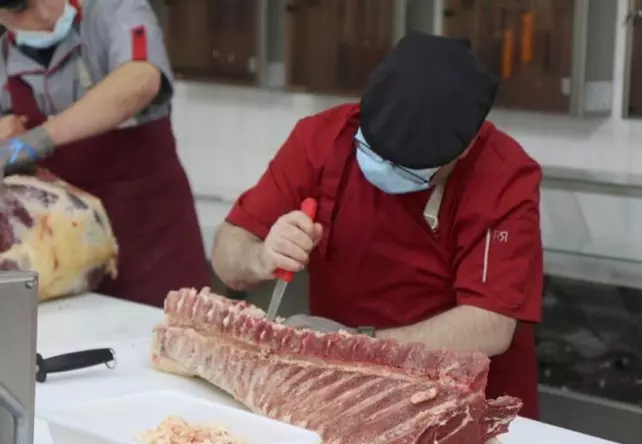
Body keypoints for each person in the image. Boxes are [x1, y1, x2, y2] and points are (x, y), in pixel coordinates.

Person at [212, 32, 543, 418]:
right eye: (372, 151)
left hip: (465, 410)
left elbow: (489, 325)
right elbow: (226, 254)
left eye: (407, 168)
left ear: (465, 147)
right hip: (339, 395)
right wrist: (260, 256)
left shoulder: (503, 177)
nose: (384, 172)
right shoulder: (321, 139)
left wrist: (359, 346)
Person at [0, 0, 209, 306]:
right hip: (65, 262)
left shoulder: (115, 9)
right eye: (21, 11)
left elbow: (141, 79)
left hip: (151, 240)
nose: (43, 14)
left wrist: (40, 138)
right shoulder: (4, 60)